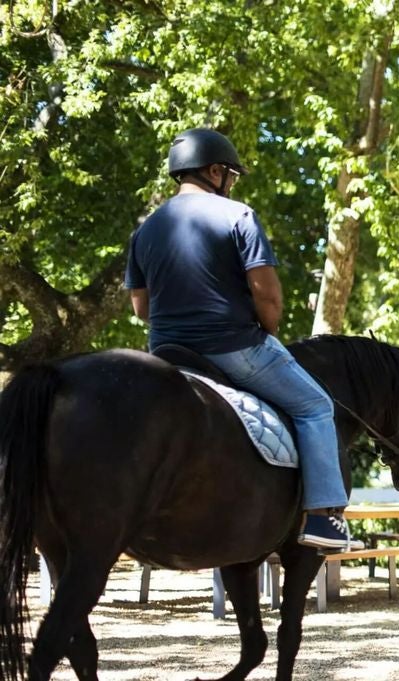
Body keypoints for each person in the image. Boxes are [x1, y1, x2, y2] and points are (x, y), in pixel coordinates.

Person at [124, 127, 363, 551]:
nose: (232, 183)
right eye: (231, 175)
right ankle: (325, 518)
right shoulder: (238, 216)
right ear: (214, 171)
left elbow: (140, 309)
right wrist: (266, 331)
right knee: (315, 406)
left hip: (166, 352)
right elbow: (268, 296)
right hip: (233, 347)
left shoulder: (145, 230)